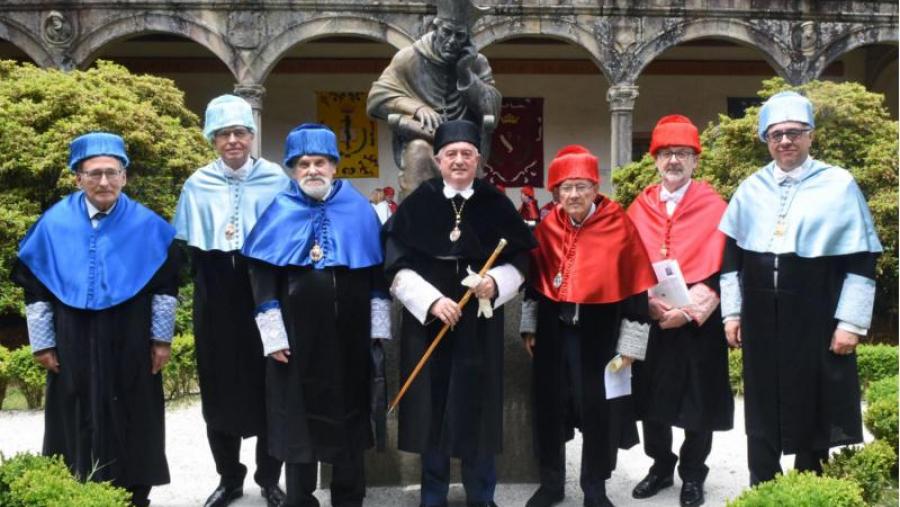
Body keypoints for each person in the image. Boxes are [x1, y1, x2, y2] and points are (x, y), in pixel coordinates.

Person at [718, 91, 882, 486]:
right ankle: (764, 485)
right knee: (760, 402)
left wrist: (850, 323)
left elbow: (861, 261)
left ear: (810, 136)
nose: (785, 141)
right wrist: (732, 313)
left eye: (794, 133)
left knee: (812, 397)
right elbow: (730, 257)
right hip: (760, 315)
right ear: (765, 140)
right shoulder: (750, 187)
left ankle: (808, 484)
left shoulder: (838, 184)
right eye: (776, 134)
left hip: (815, 312)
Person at [12, 132, 181, 507]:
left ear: (125, 176)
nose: (104, 182)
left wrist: (160, 340)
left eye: (112, 172)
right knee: (74, 410)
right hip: (73, 340)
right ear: (78, 177)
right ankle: (76, 489)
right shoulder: (53, 224)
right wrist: (42, 342)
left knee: (133, 411)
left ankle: (135, 492)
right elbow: (35, 289)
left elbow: (166, 289)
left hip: (131, 340)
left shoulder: (148, 226)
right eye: (94, 174)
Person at [382, 119, 535, 507]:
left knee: (478, 409)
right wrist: (431, 301)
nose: (459, 160)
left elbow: (520, 259)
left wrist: (495, 284)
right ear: (437, 160)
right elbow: (395, 263)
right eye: (451, 154)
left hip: (479, 326)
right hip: (429, 324)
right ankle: (432, 495)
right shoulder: (418, 203)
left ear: (478, 160)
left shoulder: (496, 202)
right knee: (430, 410)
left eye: (467, 153)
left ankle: (480, 494)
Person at [242, 123, 391, 507]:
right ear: (293, 169)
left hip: (350, 338)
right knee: (297, 424)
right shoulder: (278, 210)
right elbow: (262, 280)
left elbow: (377, 276)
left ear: (334, 166)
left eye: (320, 162)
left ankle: (348, 498)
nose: (312, 170)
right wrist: (273, 336)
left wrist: (377, 332)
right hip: (294, 340)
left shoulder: (360, 210)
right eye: (303, 163)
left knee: (350, 418)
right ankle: (300, 499)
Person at [519, 145, 656, 507]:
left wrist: (631, 345)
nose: (574, 195)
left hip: (602, 337)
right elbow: (534, 284)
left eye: (582, 186)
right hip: (553, 335)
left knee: (600, 413)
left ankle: (594, 487)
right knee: (549, 408)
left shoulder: (620, 226)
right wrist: (529, 327)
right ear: (556, 192)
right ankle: (552, 484)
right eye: (566, 187)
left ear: (595, 188)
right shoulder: (548, 227)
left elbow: (636, 293)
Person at [173, 95, 290, 507]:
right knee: (218, 388)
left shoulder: (277, 179)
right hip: (216, 295)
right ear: (212, 139)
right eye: (224, 134)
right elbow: (186, 250)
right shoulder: (196, 183)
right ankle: (229, 478)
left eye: (240, 132)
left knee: (270, 387)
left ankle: (270, 479)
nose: (233, 141)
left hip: (263, 293)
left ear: (251, 136)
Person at [626, 115, 734, 507]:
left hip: (696, 325)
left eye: (683, 154)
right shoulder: (640, 206)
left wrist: (688, 311)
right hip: (652, 319)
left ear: (695, 161)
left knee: (697, 403)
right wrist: (649, 304)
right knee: (650, 399)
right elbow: (628, 260)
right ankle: (659, 466)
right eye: (667, 153)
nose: (674, 161)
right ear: (654, 159)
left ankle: (692, 474)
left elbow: (725, 267)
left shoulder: (714, 204)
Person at [366, 0, 501, 193]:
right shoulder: (408, 58)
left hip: (463, 141)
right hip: (424, 138)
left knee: (464, 156)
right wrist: (416, 108)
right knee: (418, 151)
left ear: (467, 39)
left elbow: (492, 109)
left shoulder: (476, 63)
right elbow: (376, 99)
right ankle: (414, 220)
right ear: (435, 27)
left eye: (460, 35)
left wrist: (465, 72)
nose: (452, 40)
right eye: (447, 32)